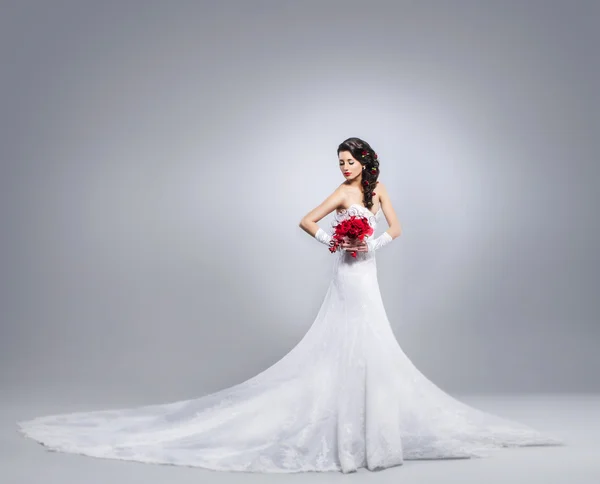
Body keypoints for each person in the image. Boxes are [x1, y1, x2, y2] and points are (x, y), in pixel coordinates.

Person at [16, 137, 565, 473]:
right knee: (346, 346)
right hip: (348, 277)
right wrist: (336, 241)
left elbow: (398, 228)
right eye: (340, 161)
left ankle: (373, 441)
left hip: (368, 274)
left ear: (366, 162)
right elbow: (306, 220)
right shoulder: (342, 195)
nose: (344, 167)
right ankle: (347, 443)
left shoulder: (377, 191)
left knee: (374, 347)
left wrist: (369, 242)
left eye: (349, 160)